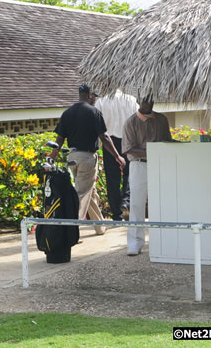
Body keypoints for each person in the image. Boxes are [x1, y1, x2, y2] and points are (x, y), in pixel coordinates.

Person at [51, 84, 126, 235]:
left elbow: (59, 138)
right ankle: (72, 231)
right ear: (90, 95)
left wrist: (52, 156)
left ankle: (100, 227)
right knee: (83, 193)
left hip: (72, 157)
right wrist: (117, 156)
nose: (95, 100)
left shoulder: (67, 113)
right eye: (95, 97)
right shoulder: (93, 112)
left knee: (91, 193)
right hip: (87, 157)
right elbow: (104, 137)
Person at [120, 95, 173, 256]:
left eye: (151, 99)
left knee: (161, 203)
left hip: (159, 165)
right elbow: (128, 148)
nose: (149, 103)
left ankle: (164, 240)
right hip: (139, 165)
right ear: (138, 101)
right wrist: (154, 150)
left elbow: (168, 141)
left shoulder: (162, 120)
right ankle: (135, 242)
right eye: (145, 100)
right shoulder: (130, 122)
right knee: (136, 204)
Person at [95, 90, 138, 221]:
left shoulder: (101, 102)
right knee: (129, 173)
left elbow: (97, 124)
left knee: (112, 178)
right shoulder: (131, 100)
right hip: (128, 139)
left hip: (109, 142)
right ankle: (126, 201)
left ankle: (116, 213)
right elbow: (137, 119)